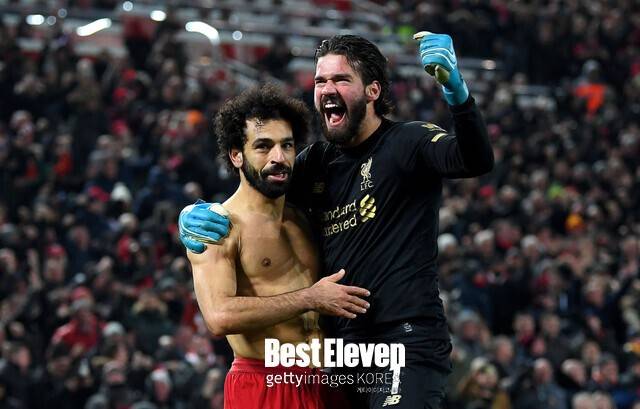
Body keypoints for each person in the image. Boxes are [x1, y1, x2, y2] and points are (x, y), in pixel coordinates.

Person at [180, 33, 494, 409]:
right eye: (320, 81)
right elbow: (256, 189)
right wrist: (193, 213)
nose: (327, 89)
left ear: (373, 90)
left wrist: (456, 92)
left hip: (404, 338)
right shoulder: (314, 163)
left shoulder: (409, 142)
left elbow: (474, 159)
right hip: (342, 354)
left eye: (341, 79)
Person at [186, 84, 369, 409]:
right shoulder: (218, 226)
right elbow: (218, 316)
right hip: (262, 383)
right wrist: (310, 298)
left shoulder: (305, 217)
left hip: (323, 382)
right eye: (263, 146)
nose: (279, 158)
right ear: (236, 155)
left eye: (287, 145)